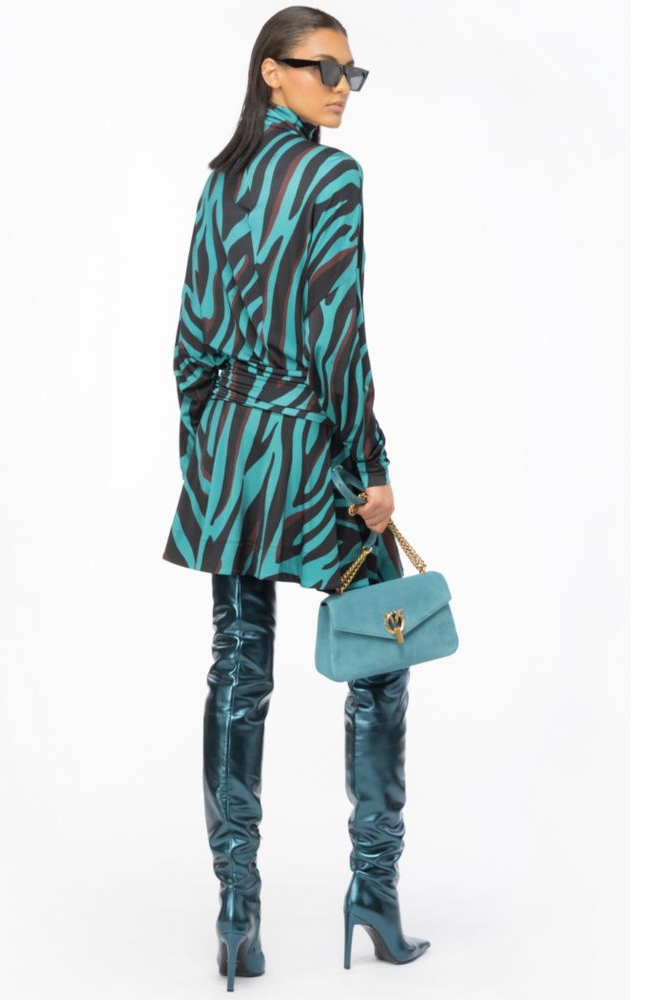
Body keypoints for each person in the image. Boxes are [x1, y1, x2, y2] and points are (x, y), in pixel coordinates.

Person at [161, 8, 430, 989]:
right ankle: (374, 893)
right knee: (382, 649)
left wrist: (208, 456)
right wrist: (369, 464)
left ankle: (237, 914)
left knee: (238, 668)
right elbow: (338, 336)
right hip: (313, 452)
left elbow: (191, 339)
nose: (340, 88)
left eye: (352, 74)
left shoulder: (222, 180)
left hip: (232, 453)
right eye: (324, 69)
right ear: (271, 72)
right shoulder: (331, 179)